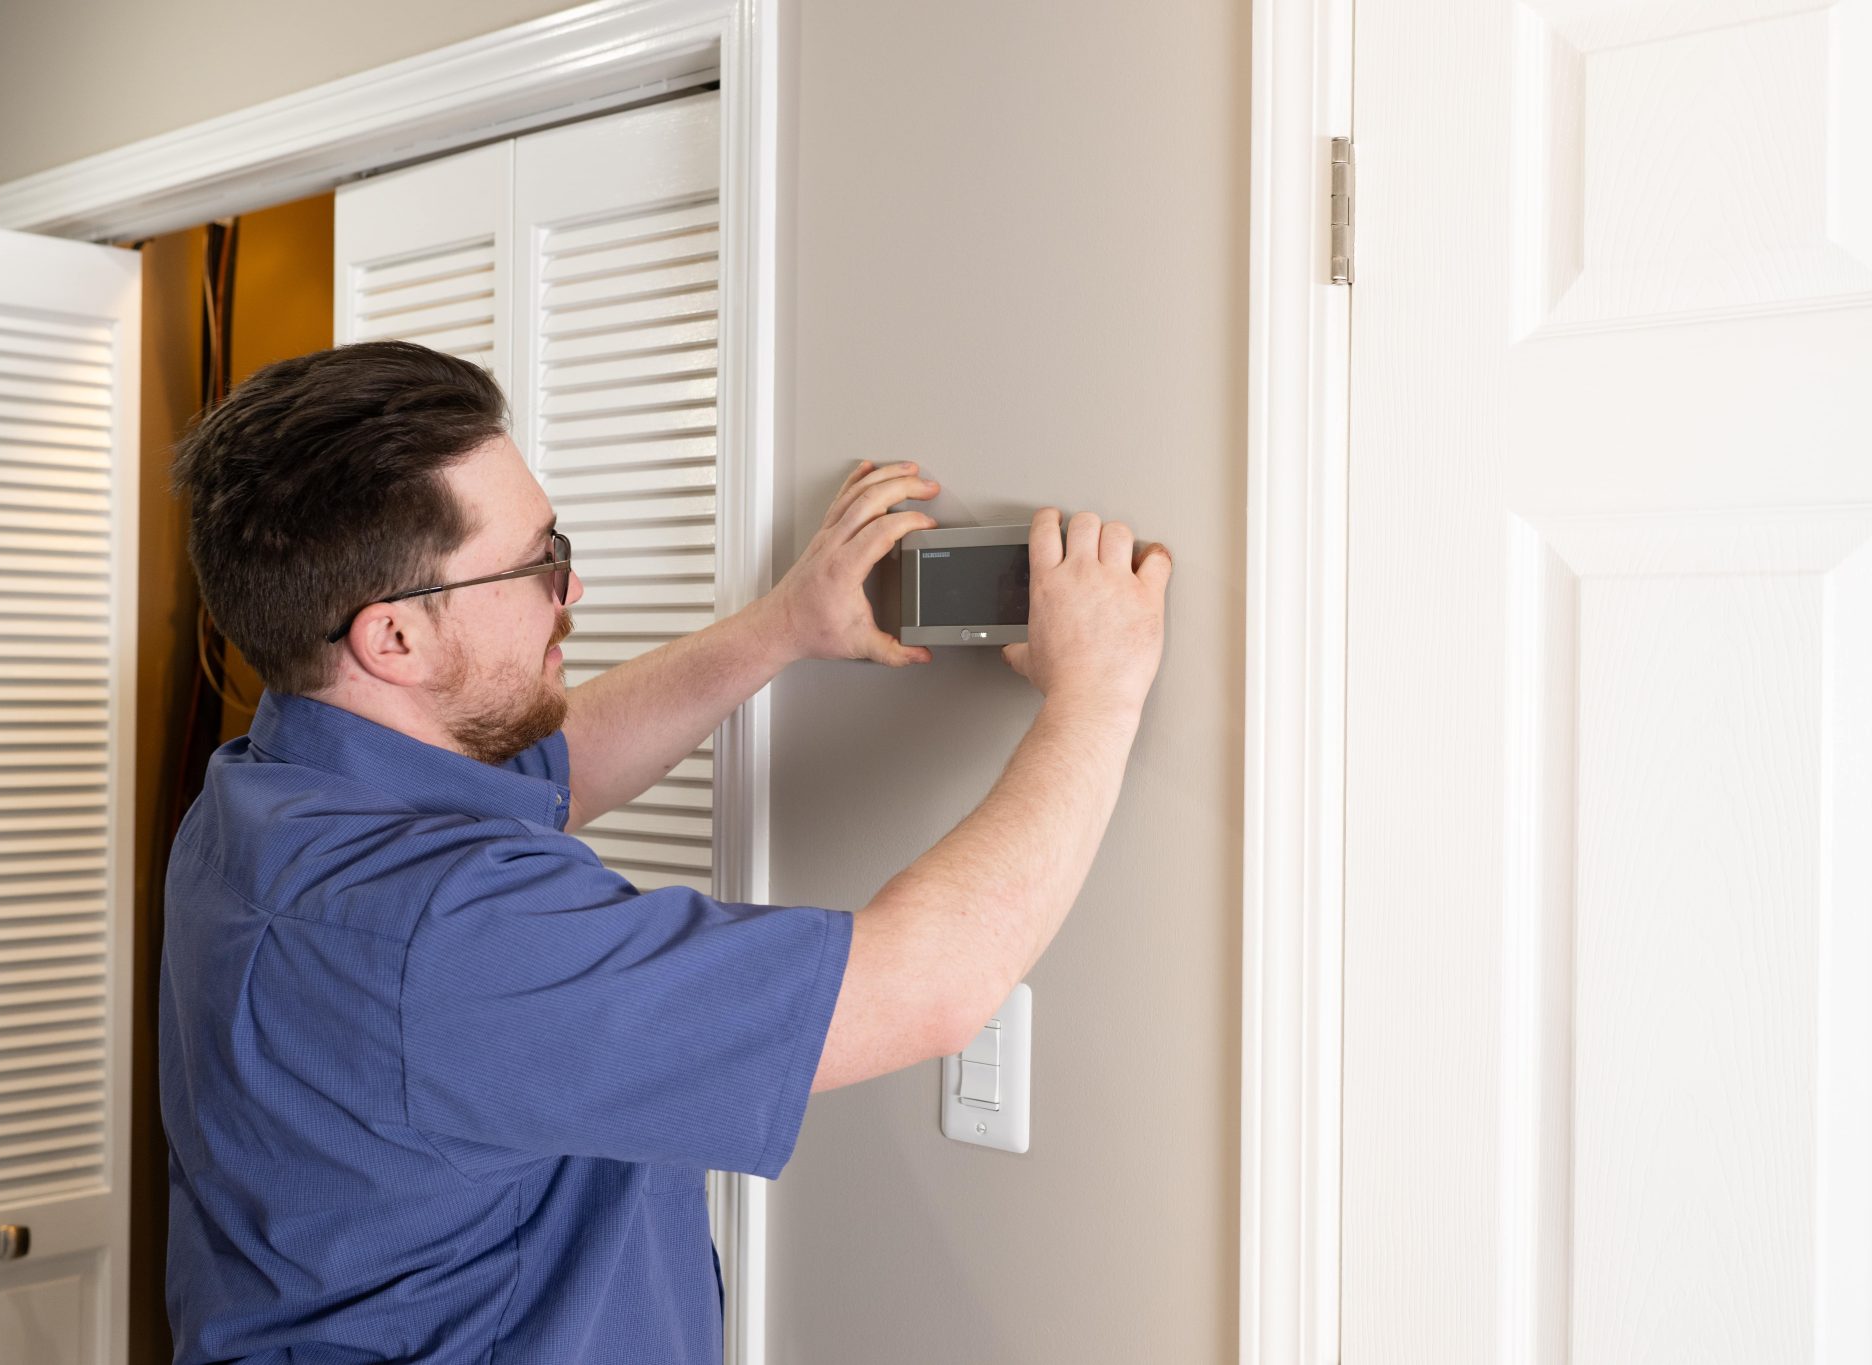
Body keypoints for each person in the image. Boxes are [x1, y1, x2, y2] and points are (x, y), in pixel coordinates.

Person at [161, 340, 1170, 1363]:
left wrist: (782, 627)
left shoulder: (272, 791)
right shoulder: (452, 937)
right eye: (537, 561)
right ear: (395, 642)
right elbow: (924, 986)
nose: (572, 589)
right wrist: (1099, 690)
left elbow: (559, 768)